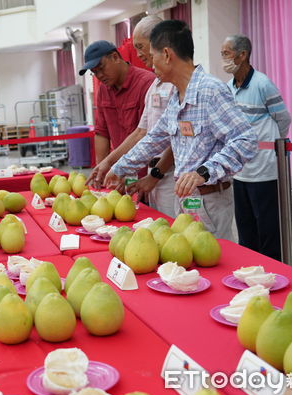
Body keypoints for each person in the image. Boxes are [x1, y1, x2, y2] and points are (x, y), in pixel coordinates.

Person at [104, 20, 257, 240]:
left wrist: (204, 172)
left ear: (166, 54)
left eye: (152, 55)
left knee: (212, 265)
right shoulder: (177, 97)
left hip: (209, 201)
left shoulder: (210, 91)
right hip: (185, 201)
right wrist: (119, 168)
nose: (149, 63)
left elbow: (245, 140)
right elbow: (154, 139)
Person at [87, 16, 177, 217]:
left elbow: (173, 139)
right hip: (153, 174)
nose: (138, 54)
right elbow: (143, 133)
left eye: (141, 47)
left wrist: (149, 173)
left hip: (177, 177)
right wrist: (111, 165)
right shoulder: (157, 85)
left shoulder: (191, 87)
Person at [221, 35, 291, 261]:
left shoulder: (262, 84)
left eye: (227, 53)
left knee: (269, 230)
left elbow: (283, 119)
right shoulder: (228, 87)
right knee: (246, 230)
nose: (224, 58)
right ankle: (250, 271)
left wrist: (272, 147)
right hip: (241, 171)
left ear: (243, 55)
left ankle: (275, 274)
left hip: (265, 171)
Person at [79, 40, 155, 165]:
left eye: (101, 68)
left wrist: (111, 164)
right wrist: (101, 169)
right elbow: (101, 133)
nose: (99, 75)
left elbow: (145, 134)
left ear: (115, 57)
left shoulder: (146, 83)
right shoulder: (103, 90)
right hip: (117, 171)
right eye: (95, 72)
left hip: (146, 170)